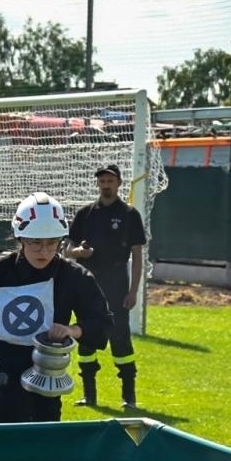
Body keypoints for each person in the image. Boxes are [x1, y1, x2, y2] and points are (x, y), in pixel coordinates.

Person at [0, 193, 113, 423]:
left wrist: (72, 330)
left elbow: (103, 322)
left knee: (41, 449)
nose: (44, 251)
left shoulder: (74, 276)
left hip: (44, 377)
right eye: (35, 242)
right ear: (20, 238)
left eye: (51, 243)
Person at [66, 163, 147, 409]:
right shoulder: (85, 214)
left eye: (110, 181)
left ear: (119, 183)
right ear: (97, 184)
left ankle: (129, 398)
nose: (106, 185)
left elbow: (137, 255)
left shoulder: (130, 214)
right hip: (87, 284)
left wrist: (133, 291)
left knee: (120, 338)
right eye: (102, 181)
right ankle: (89, 396)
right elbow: (67, 251)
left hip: (116, 282)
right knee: (86, 338)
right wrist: (79, 252)